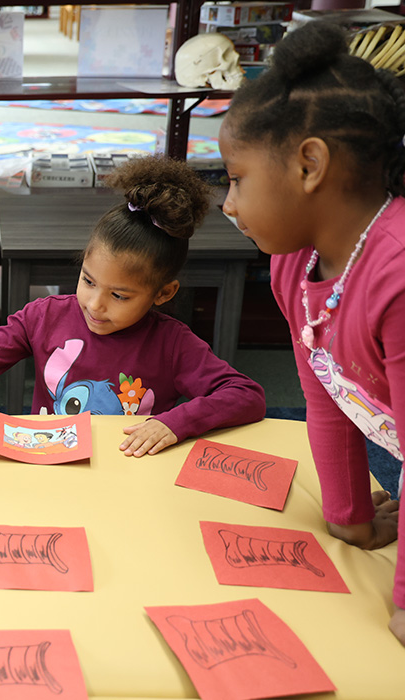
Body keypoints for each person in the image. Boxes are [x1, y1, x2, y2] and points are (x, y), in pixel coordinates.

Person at [0, 155, 266, 456]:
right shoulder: (45, 316)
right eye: (88, 281)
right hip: (52, 464)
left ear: (163, 294)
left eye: (119, 296)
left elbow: (246, 395)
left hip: (127, 471)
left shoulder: (174, 344)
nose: (95, 305)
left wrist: (174, 424)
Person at [217, 20, 405, 644]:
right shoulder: (294, 264)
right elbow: (325, 390)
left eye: (237, 177)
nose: (228, 203)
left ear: (309, 165)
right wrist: (348, 517)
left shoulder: (398, 276)